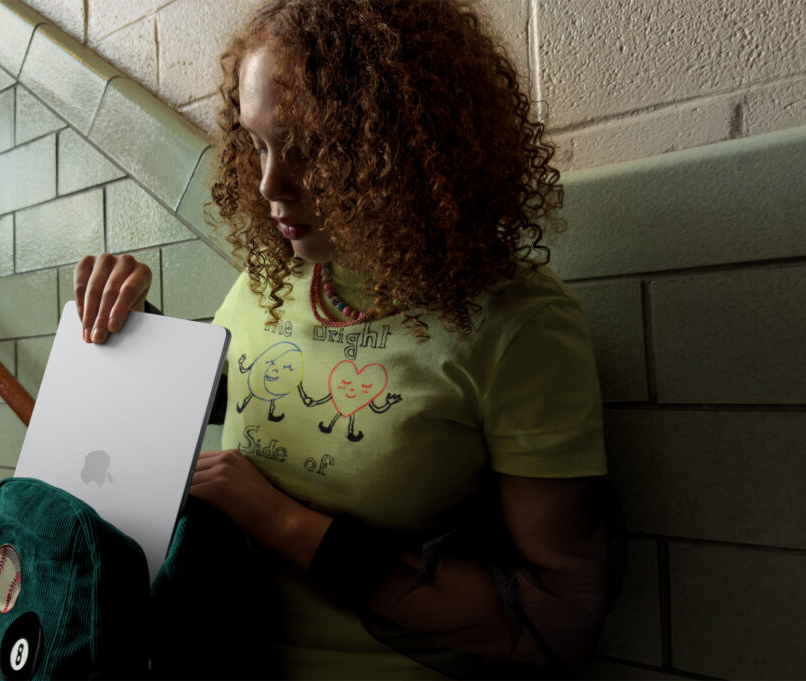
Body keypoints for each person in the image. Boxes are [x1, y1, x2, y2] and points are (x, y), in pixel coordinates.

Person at [75, 0, 621, 677]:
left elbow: (556, 622)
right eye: (257, 143)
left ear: (401, 146)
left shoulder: (519, 324)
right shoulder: (263, 287)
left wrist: (277, 517)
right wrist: (129, 328)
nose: (272, 184)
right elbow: (193, 423)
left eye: (309, 146)